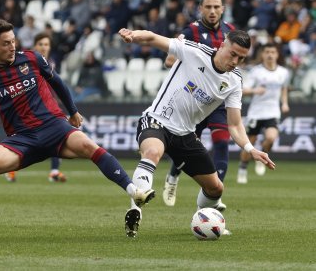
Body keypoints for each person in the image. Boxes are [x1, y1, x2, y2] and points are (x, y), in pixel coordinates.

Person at [0, 19, 155, 243]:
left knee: (90, 146)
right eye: (5, 43)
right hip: (22, 139)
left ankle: (135, 192)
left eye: (13, 41)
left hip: (55, 127)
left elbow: (57, 82)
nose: (12, 46)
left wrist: (72, 111)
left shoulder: (32, 59)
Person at [118, 28, 275, 238]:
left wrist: (250, 148)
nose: (236, 60)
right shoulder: (193, 52)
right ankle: (136, 208)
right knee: (152, 153)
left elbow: (235, 125)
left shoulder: (235, 80)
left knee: (215, 189)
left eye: (242, 58)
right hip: (157, 120)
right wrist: (133, 35)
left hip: (185, 135)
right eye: (233, 54)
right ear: (223, 45)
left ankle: (205, 219)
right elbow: (155, 38)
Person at [163, 0, 235, 209]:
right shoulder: (190, 32)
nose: (212, 11)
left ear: (222, 9)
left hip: (218, 100)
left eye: (216, 7)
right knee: (187, 146)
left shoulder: (230, 32)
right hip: (195, 101)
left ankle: (215, 196)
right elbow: (169, 60)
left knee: (222, 142)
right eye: (208, 7)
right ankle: (173, 176)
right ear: (201, 9)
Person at [5, 33, 67, 183]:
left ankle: (54, 171)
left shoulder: (51, 62)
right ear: (35, 46)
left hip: (47, 106)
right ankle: (10, 168)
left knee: (56, 135)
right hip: (27, 107)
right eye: (41, 44)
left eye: (46, 44)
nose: (44, 47)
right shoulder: (27, 62)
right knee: (22, 139)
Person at [237, 43, 290, 184]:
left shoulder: (283, 72)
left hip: (273, 112)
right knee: (250, 143)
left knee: (271, 138)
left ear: (277, 55)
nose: (270, 54)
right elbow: (243, 90)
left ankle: (262, 158)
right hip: (256, 113)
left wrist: (284, 103)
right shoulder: (256, 71)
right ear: (263, 54)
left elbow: (284, 89)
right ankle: (243, 167)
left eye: (273, 51)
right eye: (267, 52)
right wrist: (255, 91)